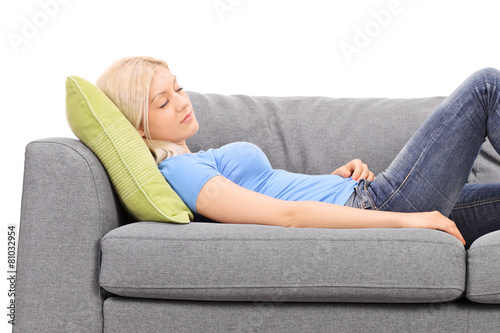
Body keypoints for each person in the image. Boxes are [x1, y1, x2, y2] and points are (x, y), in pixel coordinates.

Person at [97, 56, 500, 247]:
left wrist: (332, 178)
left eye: (179, 88)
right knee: (486, 87)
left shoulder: (197, 158)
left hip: (363, 196)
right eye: (163, 102)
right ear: (137, 125)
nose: (183, 102)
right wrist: (404, 222)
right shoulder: (181, 172)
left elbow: (281, 193)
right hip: (374, 205)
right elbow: (286, 217)